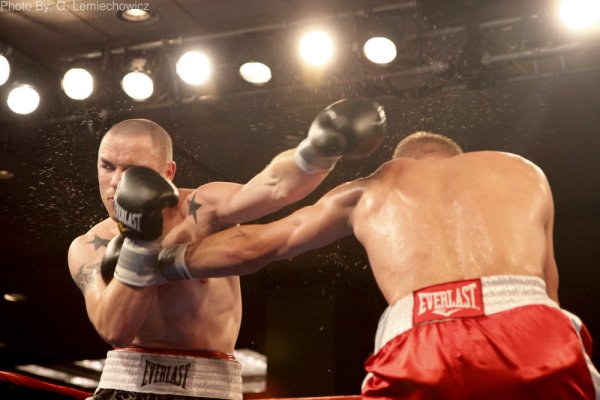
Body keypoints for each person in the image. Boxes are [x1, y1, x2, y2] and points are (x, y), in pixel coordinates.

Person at [172, 131, 600, 399]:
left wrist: (163, 261)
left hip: (421, 340)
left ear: (401, 160)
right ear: (457, 156)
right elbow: (549, 296)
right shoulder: (523, 172)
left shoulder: (370, 187)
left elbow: (262, 243)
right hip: (529, 326)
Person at [67, 97, 387, 400]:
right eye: (107, 166)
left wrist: (318, 150)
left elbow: (273, 187)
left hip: (209, 387)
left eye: (133, 170)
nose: (116, 182)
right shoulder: (89, 246)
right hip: (123, 388)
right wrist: (141, 244)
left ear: (168, 173)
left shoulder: (200, 209)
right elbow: (115, 329)